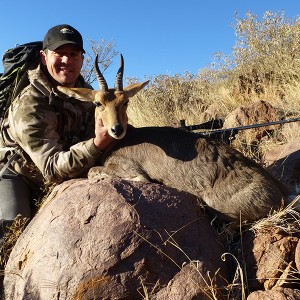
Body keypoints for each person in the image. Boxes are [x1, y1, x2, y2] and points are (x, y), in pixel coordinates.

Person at [0, 24, 116, 246]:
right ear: (44, 57)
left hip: (64, 166)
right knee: (13, 229)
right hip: (19, 173)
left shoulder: (88, 94)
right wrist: (97, 145)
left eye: (73, 54)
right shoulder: (30, 103)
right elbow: (52, 168)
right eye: (59, 54)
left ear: (82, 59)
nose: (67, 61)